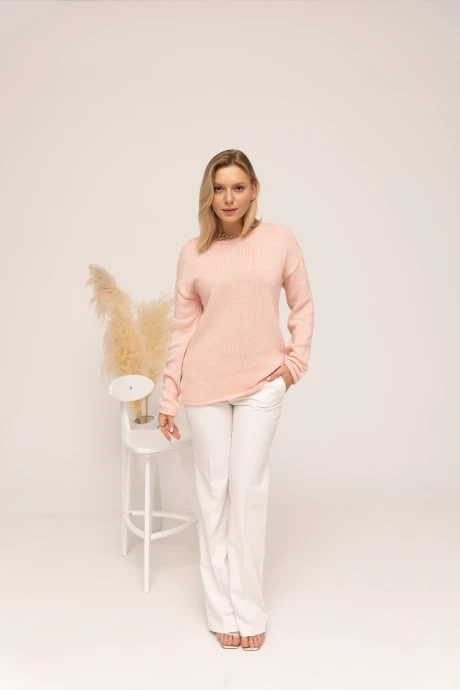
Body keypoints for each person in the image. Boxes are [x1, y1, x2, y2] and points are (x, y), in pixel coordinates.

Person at [157, 149, 314, 651]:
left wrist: (292, 367)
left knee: (247, 491)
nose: (229, 198)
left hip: (263, 383)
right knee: (214, 493)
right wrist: (169, 394)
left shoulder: (279, 239)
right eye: (220, 188)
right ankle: (220, 609)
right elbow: (182, 330)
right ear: (209, 195)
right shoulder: (193, 253)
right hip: (204, 385)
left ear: (253, 191)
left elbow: (303, 303)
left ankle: (249, 609)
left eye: (238, 187)